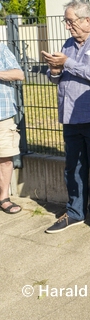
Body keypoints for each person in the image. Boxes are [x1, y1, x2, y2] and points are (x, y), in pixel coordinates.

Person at [43, 0, 90, 233]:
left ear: (86, 20)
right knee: (72, 168)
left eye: (70, 21)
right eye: (66, 21)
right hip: (70, 117)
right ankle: (74, 212)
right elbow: (57, 77)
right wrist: (54, 71)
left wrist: (68, 63)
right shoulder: (68, 44)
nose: (67, 26)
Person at [0, 44, 24, 215]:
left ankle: (4, 198)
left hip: (2, 115)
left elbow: (18, 74)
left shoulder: (1, 48)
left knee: (5, 159)